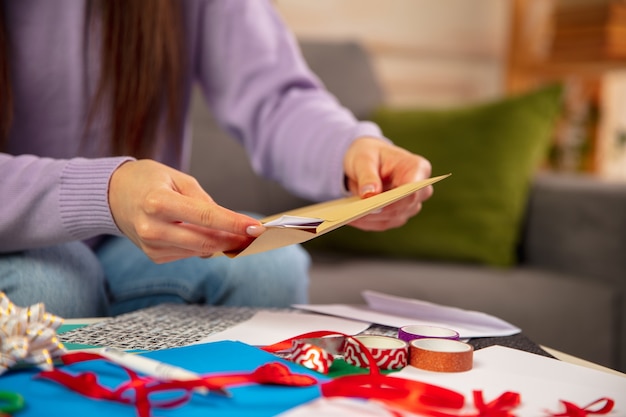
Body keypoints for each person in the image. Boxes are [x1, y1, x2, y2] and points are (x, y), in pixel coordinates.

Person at [0, 0, 433, 318]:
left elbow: (273, 96)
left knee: (268, 268)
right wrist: (107, 192)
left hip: (118, 245)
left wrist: (348, 150)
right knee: (51, 288)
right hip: (14, 237)